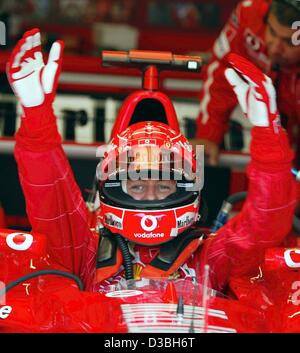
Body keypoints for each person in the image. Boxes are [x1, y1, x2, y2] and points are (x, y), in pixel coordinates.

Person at [7, 28, 296, 293]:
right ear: (113, 187)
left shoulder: (209, 259)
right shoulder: (86, 252)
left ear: (187, 187)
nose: (149, 195)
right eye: (136, 186)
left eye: (162, 187)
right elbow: (49, 196)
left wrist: (268, 131)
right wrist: (36, 114)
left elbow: (266, 222)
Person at [193, 0, 300, 166]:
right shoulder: (249, 12)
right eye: (271, 31)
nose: (276, 48)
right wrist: (208, 135)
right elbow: (223, 70)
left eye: (290, 41)